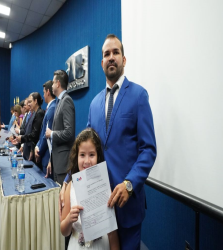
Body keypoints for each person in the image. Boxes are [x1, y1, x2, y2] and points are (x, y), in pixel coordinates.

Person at [60, 34, 157, 250]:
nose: (111, 57)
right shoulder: (94, 103)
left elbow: (148, 149)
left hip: (127, 203)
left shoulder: (139, 96)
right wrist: (67, 180)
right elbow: (83, 146)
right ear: (102, 63)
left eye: (115, 52)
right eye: (106, 54)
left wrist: (129, 184)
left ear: (124, 59)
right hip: (98, 206)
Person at [60, 128, 120, 250]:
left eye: (92, 155)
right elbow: (64, 231)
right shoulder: (70, 187)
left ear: (98, 156)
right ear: (76, 157)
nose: (87, 161)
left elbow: (113, 234)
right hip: (77, 245)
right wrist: (69, 219)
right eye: (82, 155)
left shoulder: (105, 186)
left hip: (101, 245)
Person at [45, 70, 75, 186]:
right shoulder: (59, 102)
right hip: (57, 162)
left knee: (63, 201)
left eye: (52, 83)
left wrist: (51, 134)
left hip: (64, 164)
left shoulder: (66, 100)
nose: (51, 85)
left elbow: (69, 132)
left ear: (58, 83)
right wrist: (51, 160)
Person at [13, 92, 44, 161]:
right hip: (29, 148)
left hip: (34, 150)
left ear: (35, 101)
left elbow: (35, 134)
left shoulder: (39, 113)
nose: (28, 104)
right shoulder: (34, 113)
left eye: (30, 102)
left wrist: (22, 138)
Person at [35, 80, 56, 176]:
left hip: (47, 156)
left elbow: (46, 134)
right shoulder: (49, 108)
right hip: (44, 156)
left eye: (44, 92)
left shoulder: (52, 109)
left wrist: (39, 151)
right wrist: (37, 146)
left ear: (48, 92)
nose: (43, 95)